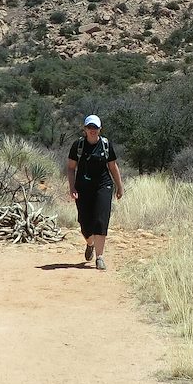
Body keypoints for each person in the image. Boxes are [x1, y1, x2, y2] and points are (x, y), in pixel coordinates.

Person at [66, 114, 124, 271]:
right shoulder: (78, 145)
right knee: (84, 223)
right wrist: (72, 187)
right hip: (83, 188)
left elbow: (113, 166)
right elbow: (71, 168)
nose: (92, 130)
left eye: (95, 128)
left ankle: (100, 257)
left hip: (103, 186)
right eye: (89, 127)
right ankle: (90, 243)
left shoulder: (105, 145)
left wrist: (119, 186)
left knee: (101, 220)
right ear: (85, 129)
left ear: (100, 129)